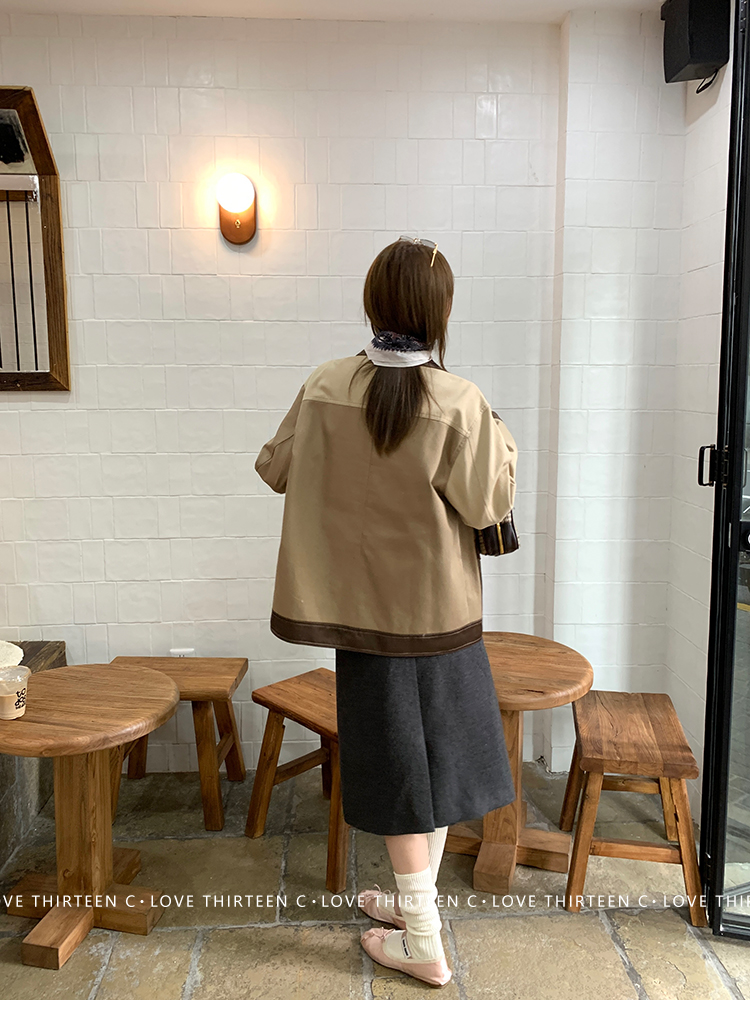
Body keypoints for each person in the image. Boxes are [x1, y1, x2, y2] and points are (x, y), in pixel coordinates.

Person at [255, 236, 518, 988]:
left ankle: (416, 918)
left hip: (360, 619)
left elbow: (275, 466)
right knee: (427, 769)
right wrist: (502, 438)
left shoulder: (324, 384)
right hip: (439, 616)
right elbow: (490, 503)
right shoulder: (459, 401)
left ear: (372, 301)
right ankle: (423, 938)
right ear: (440, 311)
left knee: (408, 769)